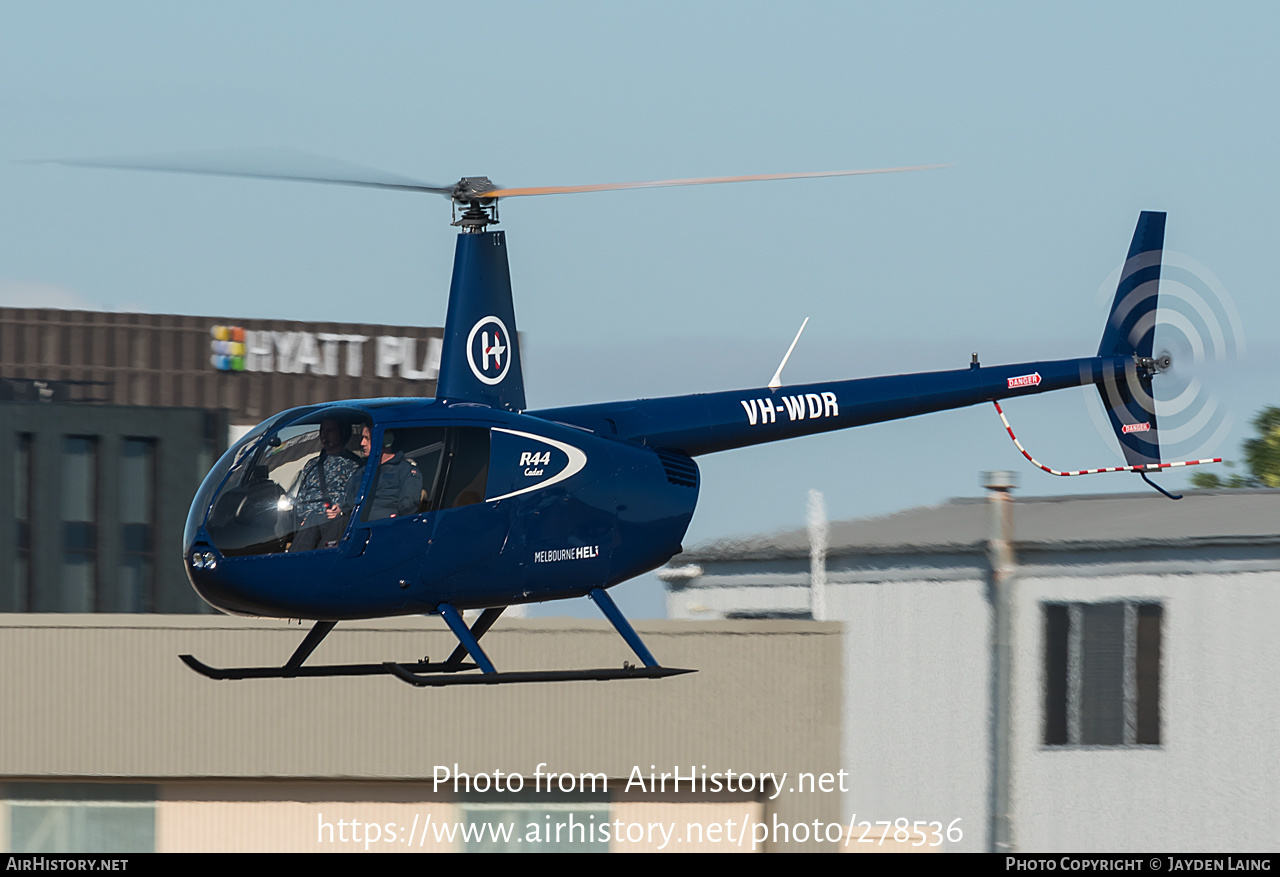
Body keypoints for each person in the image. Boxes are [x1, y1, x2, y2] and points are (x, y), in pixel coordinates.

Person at [288, 417, 365, 551]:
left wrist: (340, 511)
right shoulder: (312, 465)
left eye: (330, 431)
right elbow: (300, 496)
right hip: (306, 524)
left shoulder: (353, 465)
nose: (324, 435)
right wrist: (301, 517)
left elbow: (353, 499)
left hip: (333, 523)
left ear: (343, 433)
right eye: (322, 430)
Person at [363, 429, 424, 521]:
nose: (362, 443)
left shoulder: (406, 470)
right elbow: (349, 503)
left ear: (386, 440)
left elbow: (408, 505)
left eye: (367, 438)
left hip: (387, 527)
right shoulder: (363, 470)